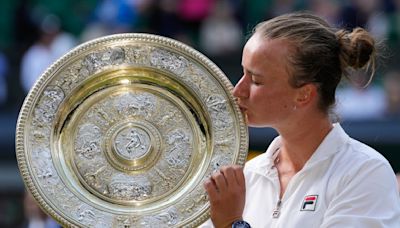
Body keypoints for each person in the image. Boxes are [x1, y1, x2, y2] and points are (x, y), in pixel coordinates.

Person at [202, 12, 400, 227]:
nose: (238, 90)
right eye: (243, 73)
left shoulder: (365, 172)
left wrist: (232, 223)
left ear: (304, 94)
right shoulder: (247, 175)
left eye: (256, 80)